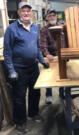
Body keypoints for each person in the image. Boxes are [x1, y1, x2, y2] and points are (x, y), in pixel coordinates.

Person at [3, 2, 49, 133]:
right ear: (18, 12)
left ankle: (33, 113)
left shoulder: (35, 28)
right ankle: (20, 122)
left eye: (28, 11)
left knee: (35, 92)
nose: (26, 13)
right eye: (23, 11)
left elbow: (37, 48)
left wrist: (42, 61)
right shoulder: (12, 29)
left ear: (31, 13)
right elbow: (7, 52)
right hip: (19, 68)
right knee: (19, 96)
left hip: (33, 67)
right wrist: (11, 70)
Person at [40, 9, 65, 104]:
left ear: (56, 16)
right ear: (47, 17)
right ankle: (49, 95)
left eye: (54, 15)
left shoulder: (62, 27)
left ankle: (62, 93)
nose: (52, 17)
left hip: (61, 55)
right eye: (50, 15)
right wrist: (47, 54)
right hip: (50, 56)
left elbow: (66, 41)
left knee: (62, 75)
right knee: (48, 77)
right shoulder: (44, 29)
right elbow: (42, 44)